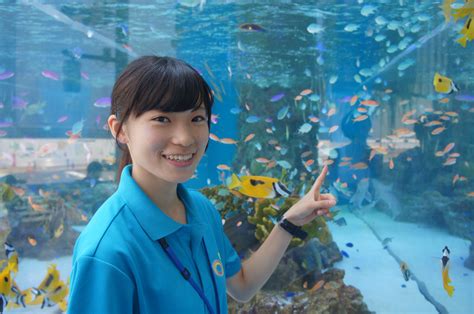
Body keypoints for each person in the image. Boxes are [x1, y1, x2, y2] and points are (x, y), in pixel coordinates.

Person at [67, 56, 336, 314]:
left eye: (196, 118)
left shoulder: (201, 209)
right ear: (120, 129)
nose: (185, 139)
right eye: (162, 119)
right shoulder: (105, 252)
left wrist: (289, 221)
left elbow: (242, 286)